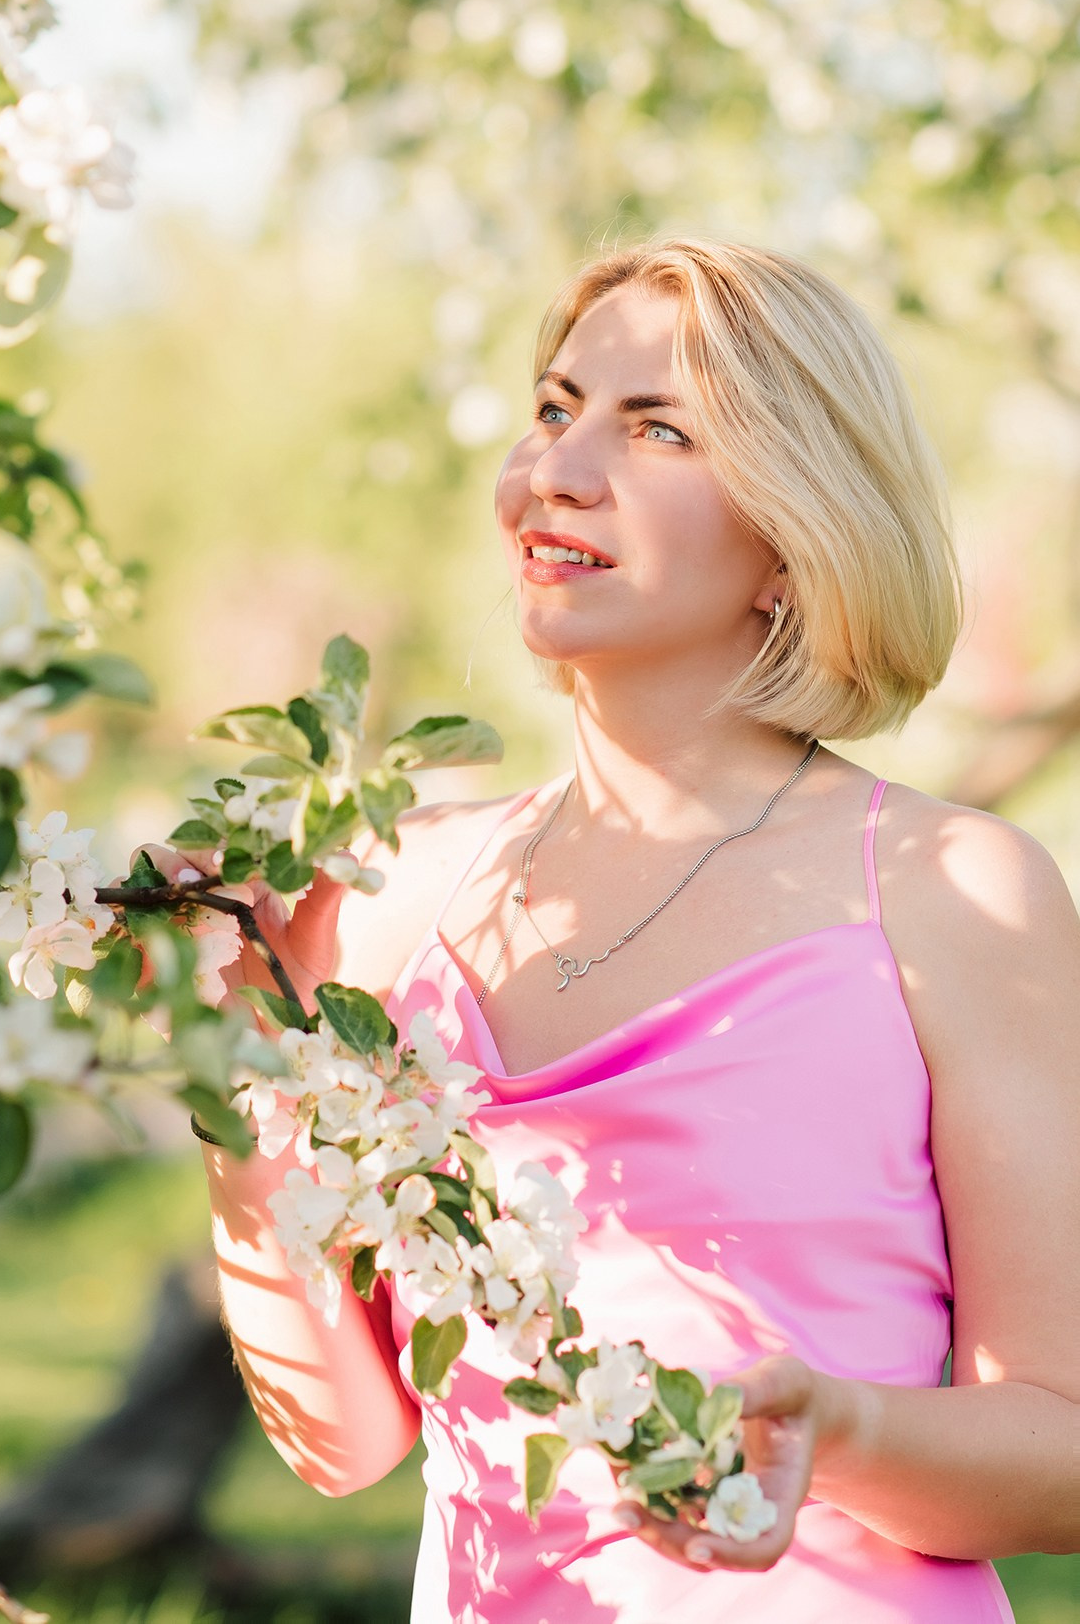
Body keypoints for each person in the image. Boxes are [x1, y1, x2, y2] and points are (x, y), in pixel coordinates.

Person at [154, 239, 1080, 1621]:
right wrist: (244, 1058)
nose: (558, 471)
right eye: (554, 407)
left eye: (657, 429)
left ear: (792, 533)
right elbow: (339, 1443)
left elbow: (1062, 1450)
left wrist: (840, 1437)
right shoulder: (399, 892)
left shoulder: (953, 891)